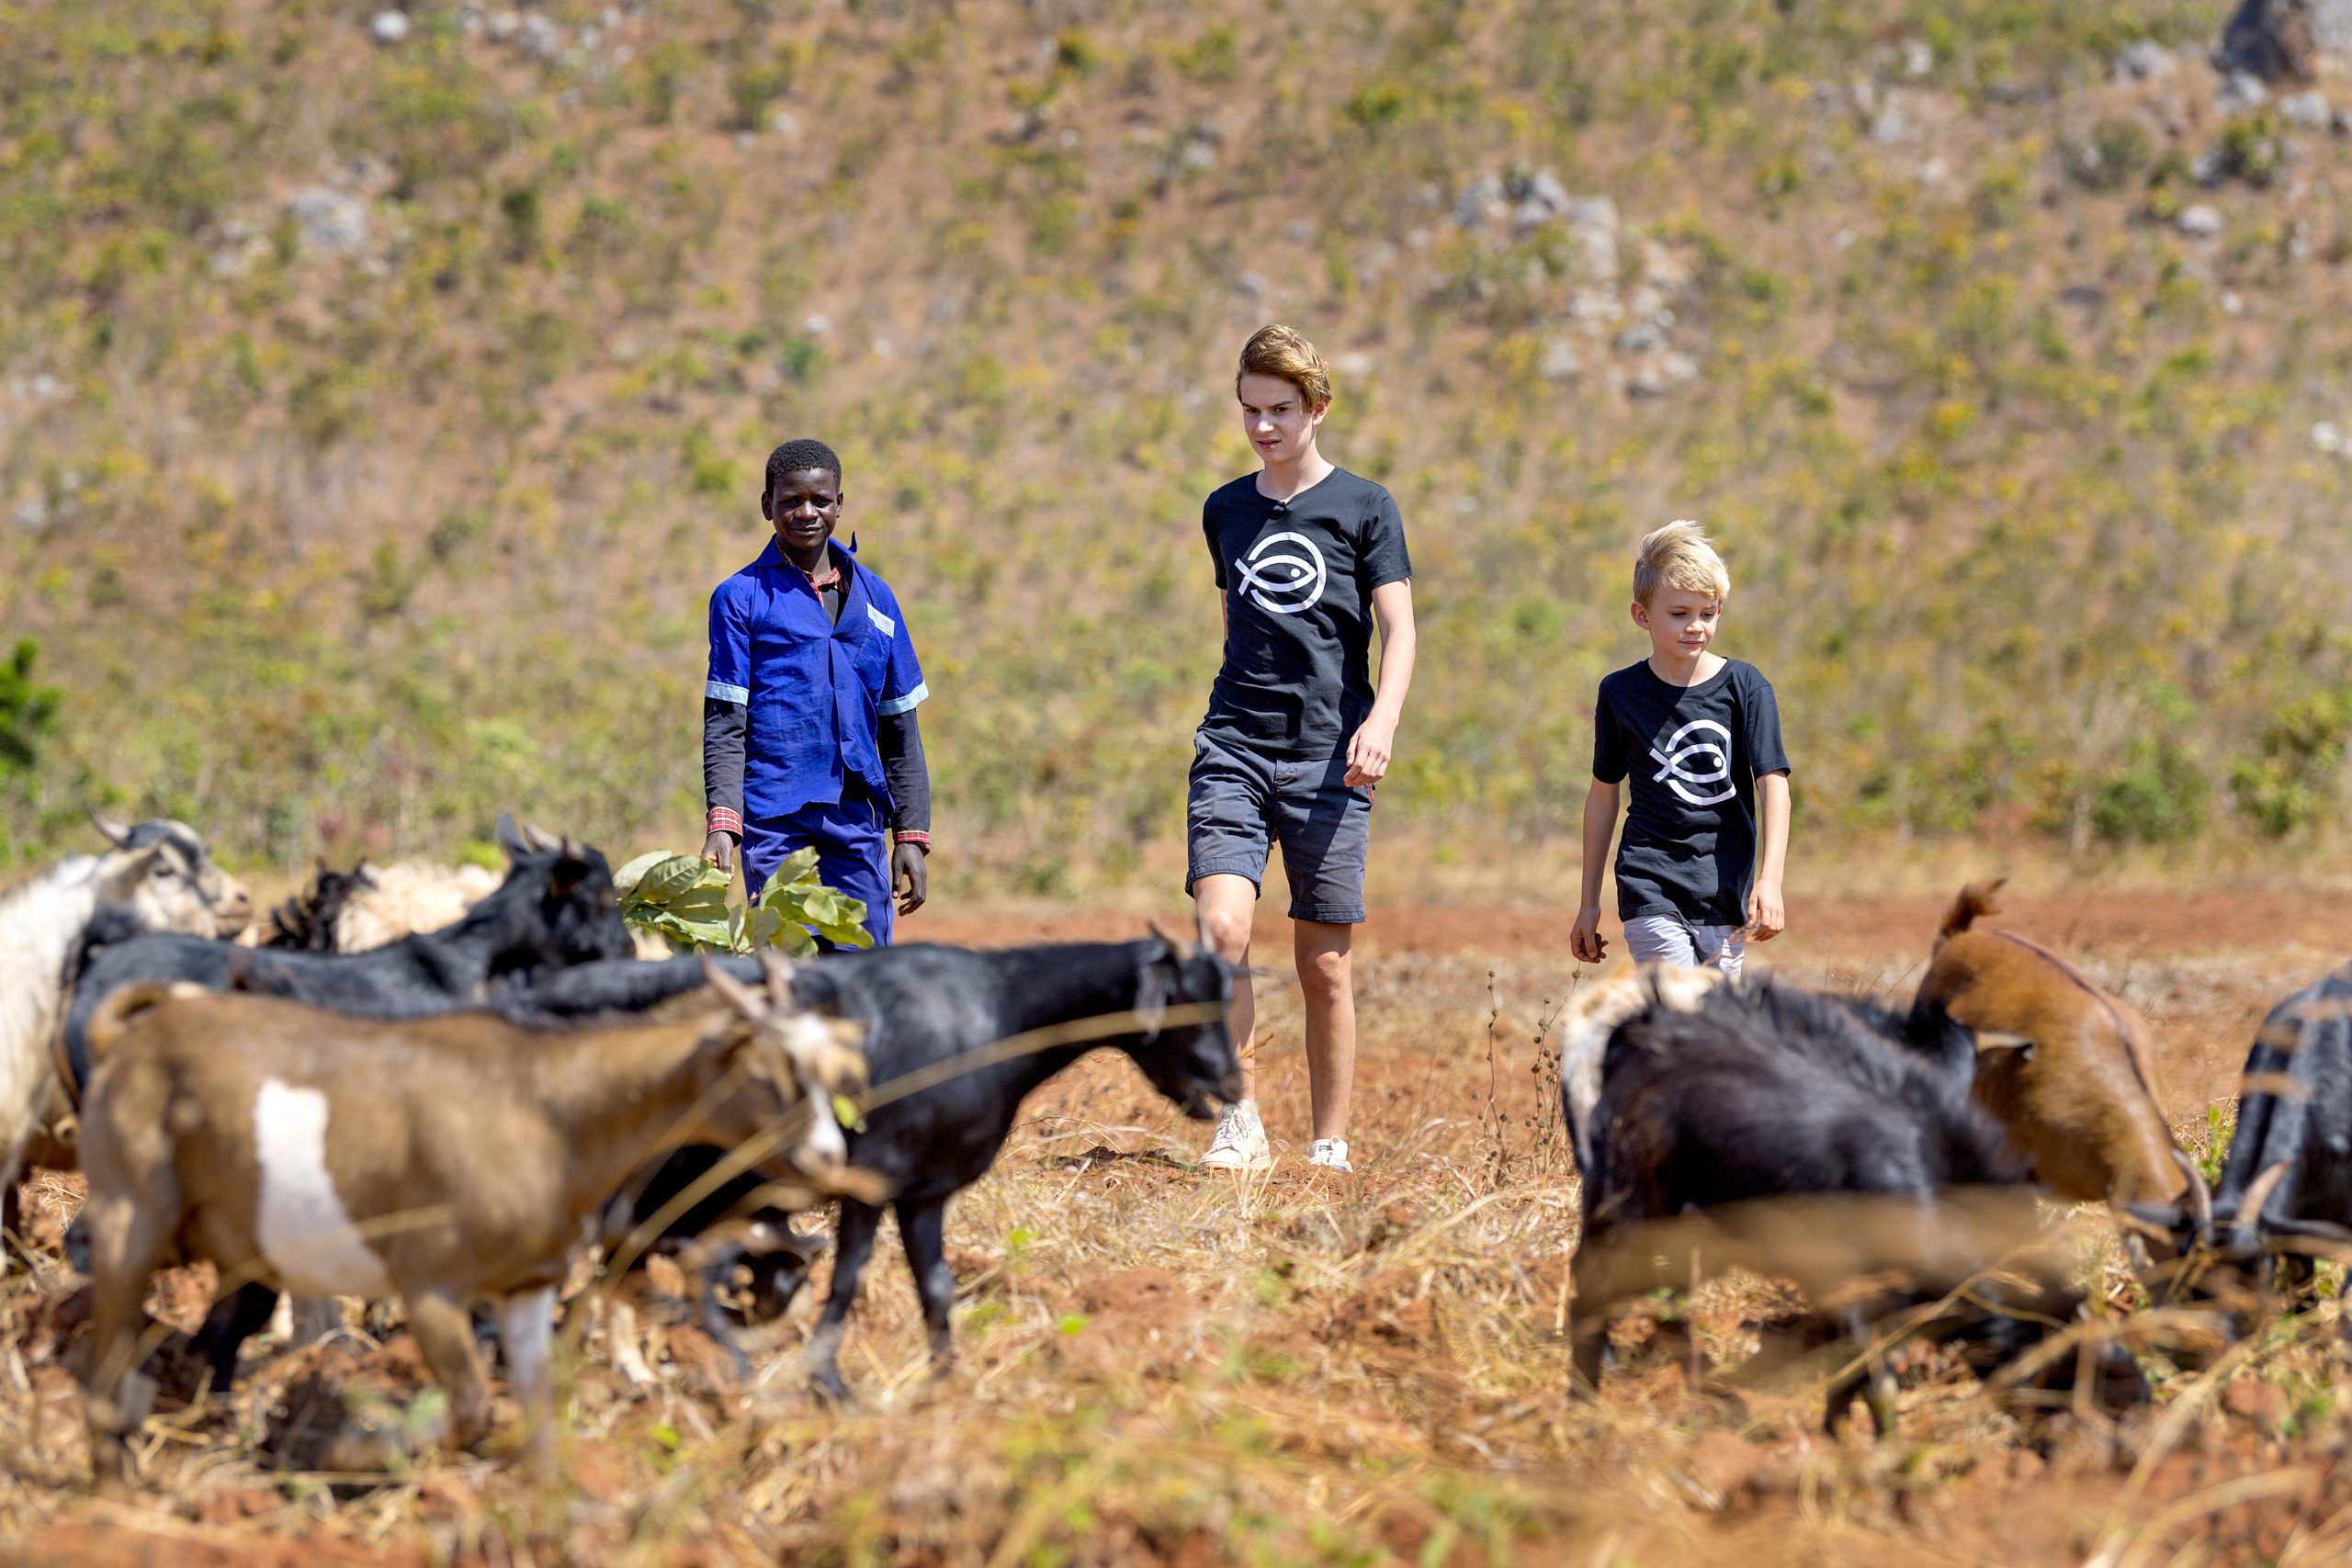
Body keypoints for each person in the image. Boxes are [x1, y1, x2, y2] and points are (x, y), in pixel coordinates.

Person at [1190, 325, 1417, 1174]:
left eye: (1280, 410)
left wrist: (1381, 723)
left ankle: (1329, 1143)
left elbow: (1398, 629)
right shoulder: (1226, 508)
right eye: (1250, 410)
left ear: (1317, 407)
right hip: (1234, 744)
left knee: (1323, 962)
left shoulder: (1366, 507)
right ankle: (1239, 1122)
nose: (1263, 428)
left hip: (1331, 755)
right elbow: (1233, 622)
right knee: (1221, 927)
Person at [700, 439, 931, 944]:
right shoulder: (739, 597)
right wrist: (724, 824)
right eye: (790, 501)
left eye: (820, 501)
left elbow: (899, 724)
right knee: (790, 967)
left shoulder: (877, 597)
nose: (806, 513)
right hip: (775, 820)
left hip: (858, 818)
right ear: (768, 507)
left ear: (839, 503)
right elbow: (725, 722)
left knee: (862, 968)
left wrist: (911, 835)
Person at [1571, 521, 1789, 977]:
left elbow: (1772, 784)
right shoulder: (1619, 692)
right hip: (1648, 880)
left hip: (1724, 885)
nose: (1696, 627)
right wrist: (1588, 903)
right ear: (1642, 614)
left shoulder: (1746, 687)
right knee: (1681, 1007)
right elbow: (1602, 797)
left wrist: (1770, 881)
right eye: (1679, 613)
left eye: (1708, 613)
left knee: (1711, 1031)